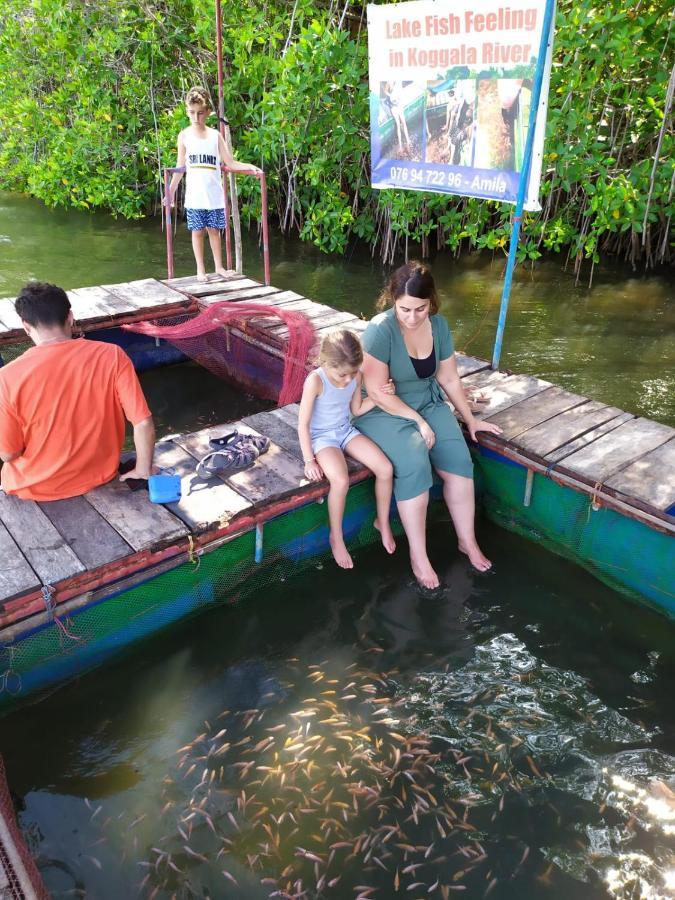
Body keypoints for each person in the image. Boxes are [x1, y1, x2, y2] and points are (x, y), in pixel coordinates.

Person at [356, 262, 502, 590]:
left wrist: (471, 418)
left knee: (460, 462)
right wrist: (418, 422)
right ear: (393, 301)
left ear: (430, 302)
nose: (412, 317)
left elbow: (448, 376)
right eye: (404, 309)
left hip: (427, 399)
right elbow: (378, 391)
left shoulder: (439, 326)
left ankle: (468, 542)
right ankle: (419, 557)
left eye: (420, 309)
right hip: (383, 409)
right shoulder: (380, 329)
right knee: (414, 461)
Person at [0, 282, 155, 501]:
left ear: (26, 326)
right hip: (98, 477)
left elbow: (8, 453)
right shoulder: (113, 355)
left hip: (31, 489)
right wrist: (142, 469)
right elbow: (143, 422)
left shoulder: (7, 377)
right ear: (70, 317)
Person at [298, 329, 396, 570]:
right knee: (340, 481)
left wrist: (381, 395)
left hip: (345, 430)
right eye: (342, 375)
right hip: (323, 438)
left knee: (385, 468)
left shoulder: (355, 376)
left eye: (352, 374)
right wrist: (309, 460)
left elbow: (357, 410)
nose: (347, 381)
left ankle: (381, 522)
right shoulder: (316, 381)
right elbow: (303, 424)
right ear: (325, 363)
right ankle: (337, 537)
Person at [166, 87, 261, 283]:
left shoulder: (215, 135)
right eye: (191, 112)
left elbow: (230, 162)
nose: (196, 117)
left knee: (214, 231)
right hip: (195, 195)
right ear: (187, 110)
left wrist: (250, 167)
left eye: (200, 113)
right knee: (197, 231)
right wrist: (170, 192)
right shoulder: (184, 135)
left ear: (208, 112)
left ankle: (219, 267)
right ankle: (201, 269)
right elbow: (180, 166)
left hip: (214, 195)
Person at [383, 81, 412, 155]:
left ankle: (408, 140)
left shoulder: (398, 81)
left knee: (404, 122)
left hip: (399, 104)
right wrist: (391, 95)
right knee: (398, 125)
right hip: (393, 106)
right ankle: (400, 145)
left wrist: (399, 97)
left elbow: (401, 91)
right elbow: (385, 91)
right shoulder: (389, 82)